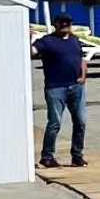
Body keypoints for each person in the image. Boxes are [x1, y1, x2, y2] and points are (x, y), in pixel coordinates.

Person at [34, 13, 88, 168]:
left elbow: (81, 59)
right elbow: (31, 51)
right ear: (55, 24)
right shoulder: (47, 41)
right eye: (62, 23)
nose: (65, 25)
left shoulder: (74, 40)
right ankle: (47, 157)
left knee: (80, 122)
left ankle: (77, 156)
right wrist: (26, 38)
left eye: (68, 23)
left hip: (76, 87)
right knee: (54, 123)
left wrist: (83, 76)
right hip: (55, 88)